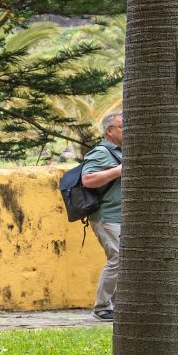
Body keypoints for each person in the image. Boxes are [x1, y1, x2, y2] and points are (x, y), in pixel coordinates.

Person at [80, 110, 124, 320]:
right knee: (117, 259)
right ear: (110, 131)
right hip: (107, 216)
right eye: (122, 127)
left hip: (120, 216)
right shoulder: (101, 152)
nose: (127, 130)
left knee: (123, 260)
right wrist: (119, 170)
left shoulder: (121, 151)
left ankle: (116, 304)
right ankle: (102, 307)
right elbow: (87, 179)